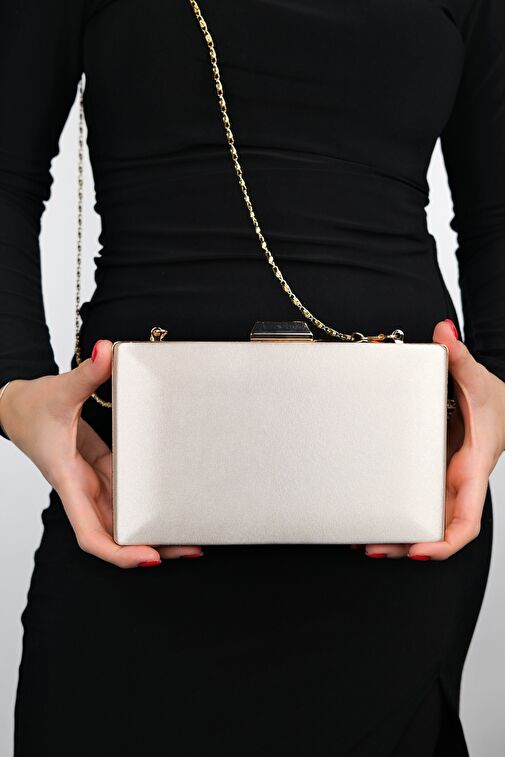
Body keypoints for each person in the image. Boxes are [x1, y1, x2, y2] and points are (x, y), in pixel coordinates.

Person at [1, 1, 504, 754]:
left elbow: (497, 211)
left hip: (401, 499)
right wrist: (14, 390)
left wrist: (499, 393)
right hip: (124, 493)